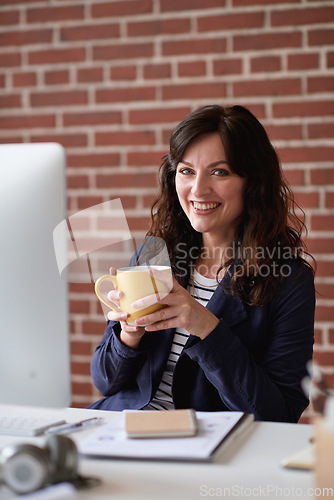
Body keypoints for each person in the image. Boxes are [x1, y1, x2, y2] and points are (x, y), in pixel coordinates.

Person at [88, 104, 315, 422]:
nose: (198, 189)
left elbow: (278, 413)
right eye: (186, 170)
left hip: (205, 442)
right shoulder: (155, 255)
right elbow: (106, 382)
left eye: (219, 171)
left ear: (253, 181)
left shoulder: (288, 280)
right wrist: (129, 333)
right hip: (123, 428)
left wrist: (205, 325)